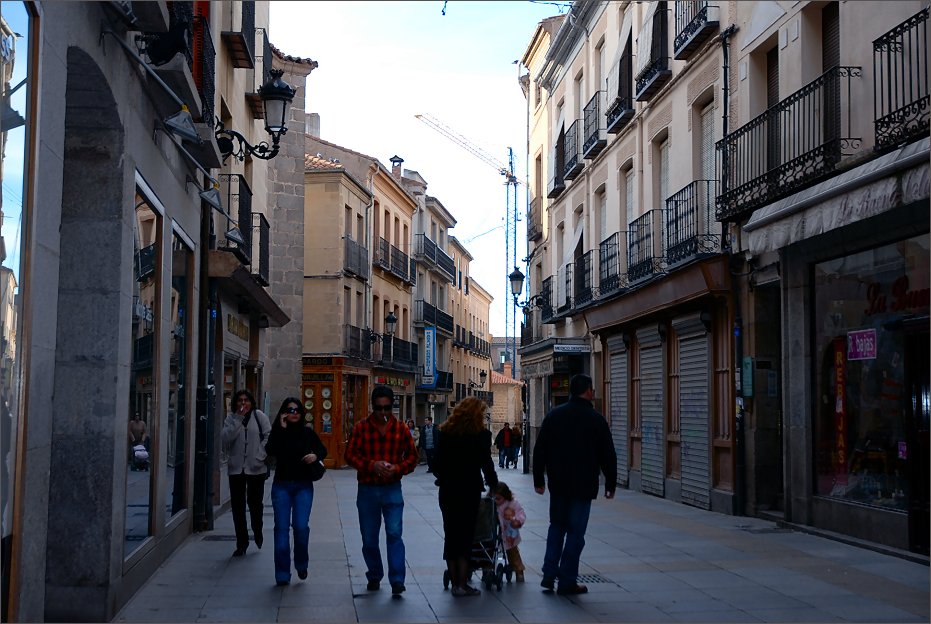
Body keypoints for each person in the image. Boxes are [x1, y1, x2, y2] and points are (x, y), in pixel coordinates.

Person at [533, 374, 617, 596]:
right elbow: (608, 454)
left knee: (557, 528)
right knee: (576, 534)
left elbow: (539, 449)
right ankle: (567, 580)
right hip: (583, 486)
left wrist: (539, 480)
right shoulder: (596, 420)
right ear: (588, 391)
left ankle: (549, 574)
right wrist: (610, 482)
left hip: (558, 485)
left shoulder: (554, 416)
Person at [345, 386, 419, 595]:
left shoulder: (401, 429)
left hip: (392, 488)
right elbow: (349, 455)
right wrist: (372, 465)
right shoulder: (361, 428)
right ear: (373, 406)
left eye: (387, 408)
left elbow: (413, 457)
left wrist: (397, 468)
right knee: (369, 538)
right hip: (367, 489)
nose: (383, 413)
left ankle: (397, 580)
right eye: (379, 408)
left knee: (394, 533)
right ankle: (375, 574)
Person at [433, 396, 498, 597]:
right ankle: (462, 584)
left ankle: (455, 584)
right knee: (466, 537)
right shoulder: (482, 435)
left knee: (451, 535)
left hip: (448, 492)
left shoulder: (445, 433)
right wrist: (494, 486)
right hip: (469, 492)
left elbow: (436, 464)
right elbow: (487, 463)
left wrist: (445, 477)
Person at [264, 397, 327, 586]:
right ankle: (282, 573)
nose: (294, 413)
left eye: (297, 410)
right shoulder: (278, 432)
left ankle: (301, 563)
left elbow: (322, 450)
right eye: (289, 410)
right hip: (282, 485)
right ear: (284, 412)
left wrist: (315, 455)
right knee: (281, 530)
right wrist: (281, 428)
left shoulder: (307, 433)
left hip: (303, 485)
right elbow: (271, 450)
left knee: (300, 527)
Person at [221, 389, 272, 557]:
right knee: (238, 506)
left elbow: (268, 436)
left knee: (255, 504)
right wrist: (238, 419)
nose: (243, 403)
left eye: (246, 400)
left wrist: (260, 456)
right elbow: (226, 439)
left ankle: (257, 530)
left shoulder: (259, 416)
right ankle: (241, 543)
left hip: (256, 468)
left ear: (251, 402)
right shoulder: (231, 419)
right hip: (236, 469)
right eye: (240, 400)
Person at [494, 481, 526, 583]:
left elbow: (520, 512)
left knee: (513, 553)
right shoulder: (492, 504)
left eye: (498, 498)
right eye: (494, 498)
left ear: (505, 496)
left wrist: (518, 521)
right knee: (491, 552)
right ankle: (488, 570)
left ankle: (519, 570)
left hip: (509, 533)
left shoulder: (512, 504)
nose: (496, 501)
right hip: (495, 533)